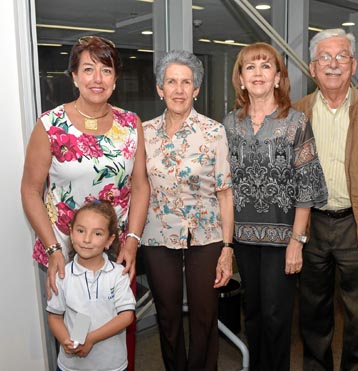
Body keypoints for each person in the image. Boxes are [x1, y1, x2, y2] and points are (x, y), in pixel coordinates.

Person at [21, 36, 149, 371]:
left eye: (105, 70)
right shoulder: (50, 125)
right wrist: (52, 250)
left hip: (114, 246)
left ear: (115, 79)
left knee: (117, 331)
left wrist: (132, 242)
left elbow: (140, 184)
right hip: (63, 248)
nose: (97, 78)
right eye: (88, 69)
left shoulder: (130, 123)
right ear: (74, 76)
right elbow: (31, 190)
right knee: (72, 334)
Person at [293, 29, 358, 371]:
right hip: (311, 225)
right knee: (313, 312)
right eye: (325, 57)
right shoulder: (297, 113)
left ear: (353, 65)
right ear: (312, 67)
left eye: (342, 56)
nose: (334, 64)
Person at [223, 42, 328, 371]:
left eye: (265, 66)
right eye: (249, 67)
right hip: (242, 237)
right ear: (240, 79)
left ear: (279, 78)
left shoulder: (296, 122)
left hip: (282, 240)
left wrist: (298, 241)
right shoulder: (229, 124)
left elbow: (308, 185)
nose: (257, 73)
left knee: (276, 317)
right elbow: (222, 184)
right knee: (252, 314)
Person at [141, 50, 234, 371]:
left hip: (205, 236)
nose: (179, 89)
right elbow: (137, 188)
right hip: (157, 235)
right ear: (160, 89)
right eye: (171, 82)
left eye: (186, 83)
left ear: (196, 90)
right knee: (166, 315)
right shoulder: (144, 133)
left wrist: (227, 248)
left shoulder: (213, 132)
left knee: (204, 316)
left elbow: (225, 193)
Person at [47, 200, 136, 371]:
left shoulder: (118, 274)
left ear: (109, 240)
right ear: (71, 233)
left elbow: (126, 316)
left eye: (97, 234)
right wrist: (66, 341)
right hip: (71, 367)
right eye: (81, 231)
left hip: (112, 365)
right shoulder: (62, 275)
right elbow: (55, 316)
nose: (87, 239)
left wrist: (91, 338)